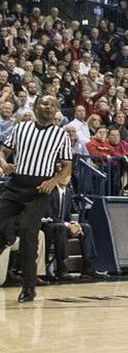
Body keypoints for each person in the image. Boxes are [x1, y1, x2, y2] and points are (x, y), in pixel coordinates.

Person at [0, 92, 73, 302]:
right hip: (16, 185)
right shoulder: (21, 128)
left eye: (52, 105)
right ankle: (6, 237)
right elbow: (3, 151)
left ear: (56, 110)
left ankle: (28, 288)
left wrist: (53, 181)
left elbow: (67, 167)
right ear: (36, 106)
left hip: (40, 190)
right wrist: (4, 164)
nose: (48, 107)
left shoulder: (61, 135)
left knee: (28, 234)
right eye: (44, 103)